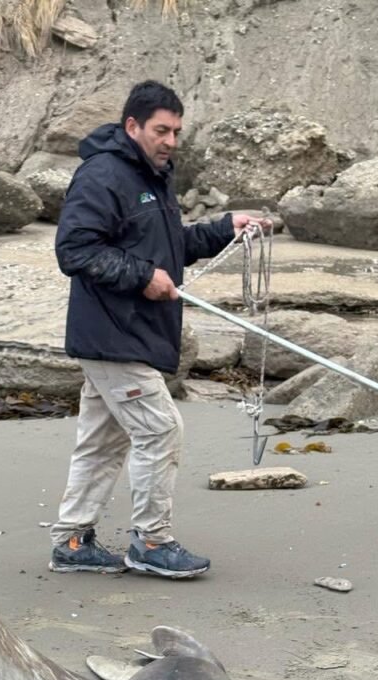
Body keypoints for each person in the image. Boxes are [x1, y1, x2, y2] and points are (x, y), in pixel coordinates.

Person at [49, 80, 269, 579]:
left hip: (130, 333)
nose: (170, 141)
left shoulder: (153, 176)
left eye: (176, 132)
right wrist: (143, 277)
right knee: (161, 429)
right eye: (161, 130)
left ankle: (72, 541)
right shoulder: (103, 175)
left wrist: (223, 227)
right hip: (113, 334)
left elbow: (169, 247)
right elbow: (75, 250)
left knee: (103, 442)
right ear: (132, 126)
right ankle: (151, 541)